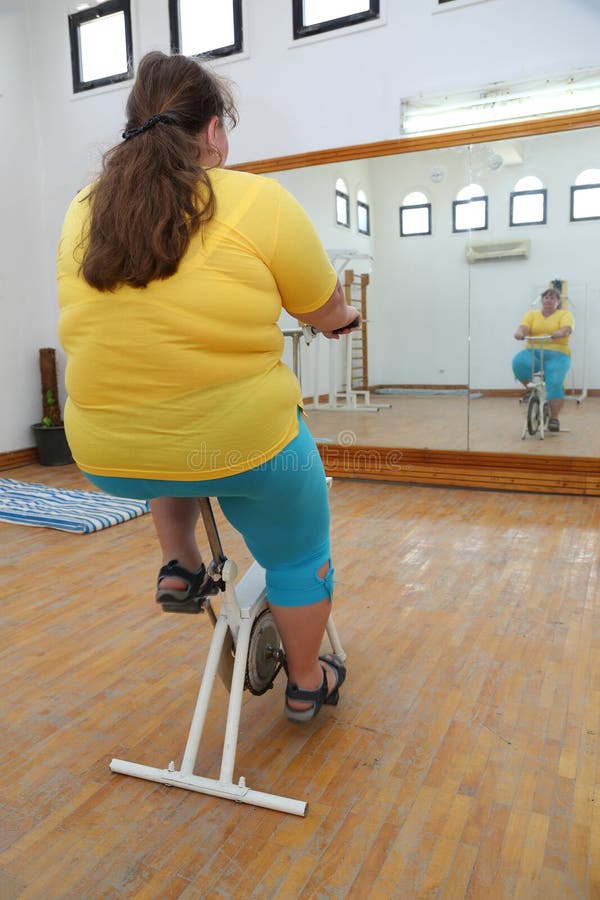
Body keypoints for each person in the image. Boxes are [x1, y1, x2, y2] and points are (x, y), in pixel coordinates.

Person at [57, 50, 361, 723]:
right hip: (245, 443)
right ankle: (309, 681)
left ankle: (179, 562)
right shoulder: (259, 199)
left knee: (168, 425)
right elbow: (322, 305)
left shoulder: (84, 208)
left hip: (107, 452)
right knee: (299, 551)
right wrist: (342, 319)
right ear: (214, 130)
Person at [512, 283, 574, 432]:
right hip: (533, 351)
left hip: (558, 354)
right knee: (518, 363)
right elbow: (524, 327)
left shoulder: (564, 314)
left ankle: (554, 418)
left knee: (555, 382)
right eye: (546, 297)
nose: (548, 299)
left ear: (557, 302)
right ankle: (534, 391)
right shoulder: (532, 314)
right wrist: (520, 332)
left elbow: (567, 328)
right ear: (542, 300)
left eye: (552, 297)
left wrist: (560, 332)